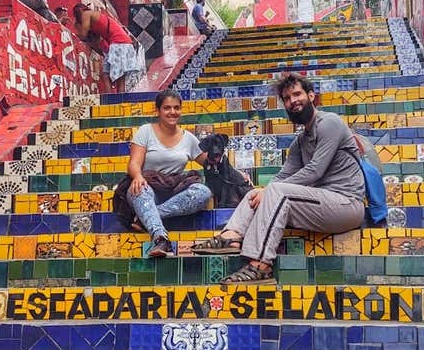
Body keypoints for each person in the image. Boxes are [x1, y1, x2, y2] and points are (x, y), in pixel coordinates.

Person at [192, 73, 366, 284]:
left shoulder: (329, 123)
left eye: (297, 94)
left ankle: (260, 265)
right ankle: (231, 236)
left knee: (275, 191)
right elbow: (282, 176)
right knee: (258, 192)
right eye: (287, 98)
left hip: (346, 204)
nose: (293, 101)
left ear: (311, 95)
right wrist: (260, 192)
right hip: (320, 205)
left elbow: (315, 171)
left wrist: (270, 191)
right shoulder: (300, 141)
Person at [123, 90, 212, 258]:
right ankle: (160, 238)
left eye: (176, 108)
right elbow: (134, 163)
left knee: (203, 192)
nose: (172, 112)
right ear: (158, 110)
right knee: (140, 189)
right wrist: (138, 176)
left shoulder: (188, 138)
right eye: (167, 108)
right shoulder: (145, 131)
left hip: (174, 191)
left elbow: (211, 163)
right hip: (147, 186)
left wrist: (237, 174)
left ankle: (145, 217)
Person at [72, 3, 142, 93]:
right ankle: (111, 99)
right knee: (107, 75)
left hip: (119, 43)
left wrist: (74, 29)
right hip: (121, 43)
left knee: (119, 78)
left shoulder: (86, 14)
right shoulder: (96, 21)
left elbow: (83, 35)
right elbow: (99, 47)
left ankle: (118, 100)